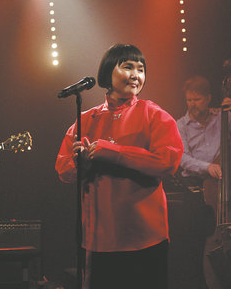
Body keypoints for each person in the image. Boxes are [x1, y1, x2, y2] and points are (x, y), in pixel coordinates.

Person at [55, 44, 184, 289]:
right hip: (98, 238)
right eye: (128, 67)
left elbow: (168, 161)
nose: (136, 75)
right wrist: (80, 164)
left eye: (141, 69)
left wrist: (113, 153)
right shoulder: (85, 120)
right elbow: (63, 170)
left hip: (144, 236)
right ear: (108, 72)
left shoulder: (155, 115)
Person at [166, 75, 231, 289]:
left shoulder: (222, 117)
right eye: (189, 100)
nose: (192, 104)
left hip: (225, 189)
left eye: (197, 99)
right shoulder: (180, 125)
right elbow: (182, 158)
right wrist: (207, 167)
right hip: (195, 192)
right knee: (195, 247)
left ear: (208, 98)